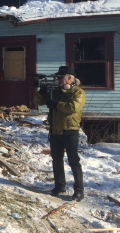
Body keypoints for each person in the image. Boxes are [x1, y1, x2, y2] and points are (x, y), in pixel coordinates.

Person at [34, 66, 86, 201]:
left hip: (70, 131)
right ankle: (59, 186)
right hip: (55, 131)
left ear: (69, 78)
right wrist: (42, 91)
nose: (58, 80)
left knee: (74, 161)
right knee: (57, 160)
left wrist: (56, 104)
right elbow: (37, 101)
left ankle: (79, 190)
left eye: (61, 77)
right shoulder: (56, 92)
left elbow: (72, 107)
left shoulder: (78, 93)